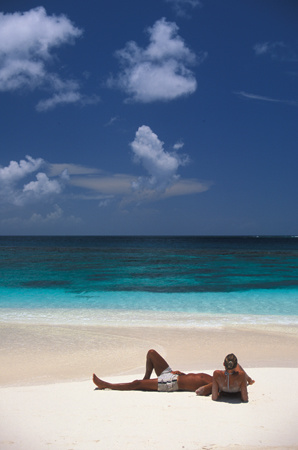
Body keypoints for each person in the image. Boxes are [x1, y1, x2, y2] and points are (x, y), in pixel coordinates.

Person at [93, 349, 213, 393]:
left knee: (136, 383)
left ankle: (106, 385)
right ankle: (146, 379)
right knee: (151, 353)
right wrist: (181, 374)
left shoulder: (217, 384)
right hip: (173, 375)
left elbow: (204, 390)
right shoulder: (217, 378)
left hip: (171, 384)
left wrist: (205, 389)